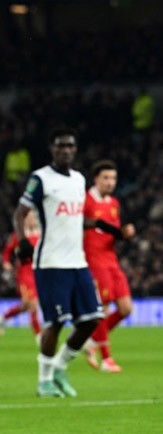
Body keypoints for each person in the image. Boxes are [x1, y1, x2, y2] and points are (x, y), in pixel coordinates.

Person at [13, 128, 122, 397]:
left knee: (93, 318)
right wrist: (22, 241)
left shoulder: (78, 180)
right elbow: (20, 212)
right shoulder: (41, 179)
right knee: (57, 322)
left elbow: (72, 218)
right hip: (50, 262)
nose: (66, 150)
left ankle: (60, 366)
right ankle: (44, 380)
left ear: (75, 149)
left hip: (78, 262)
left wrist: (96, 223)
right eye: (61, 146)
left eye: (70, 146)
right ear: (52, 148)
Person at [82, 159, 136, 372]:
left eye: (113, 178)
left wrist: (125, 234)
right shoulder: (86, 201)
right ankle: (106, 359)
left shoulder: (114, 203)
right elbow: (77, 224)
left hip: (112, 261)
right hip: (94, 262)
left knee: (125, 308)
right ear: (96, 179)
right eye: (105, 178)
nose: (110, 182)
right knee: (102, 310)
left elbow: (114, 234)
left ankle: (92, 340)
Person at [0, 213, 42, 342]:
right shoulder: (19, 235)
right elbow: (7, 251)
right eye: (28, 217)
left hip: (39, 273)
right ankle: (39, 335)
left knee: (26, 305)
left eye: (33, 217)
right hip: (24, 273)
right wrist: (6, 263)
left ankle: (2, 318)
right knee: (33, 304)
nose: (31, 219)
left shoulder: (41, 233)